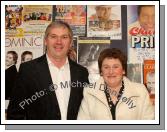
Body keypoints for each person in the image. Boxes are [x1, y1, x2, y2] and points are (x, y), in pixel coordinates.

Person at [7, 21, 89, 120]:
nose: (59, 42)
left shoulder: (81, 73)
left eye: (64, 37)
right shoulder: (28, 70)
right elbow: (15, 113)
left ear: (70, 42)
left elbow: (87, 110)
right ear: (45, 41)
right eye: (53, 36)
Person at [77, 48, 154, 120]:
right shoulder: (89, 92)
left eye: (115, 67)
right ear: (101, 71)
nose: (111, 71)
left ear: (123, 70)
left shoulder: (140, 91)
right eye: (106, 67)